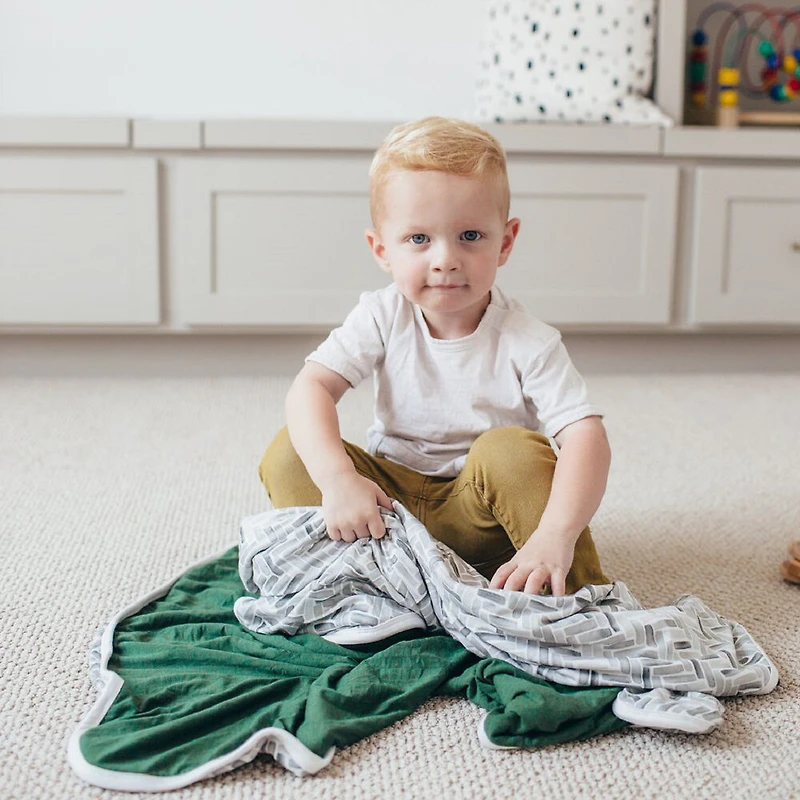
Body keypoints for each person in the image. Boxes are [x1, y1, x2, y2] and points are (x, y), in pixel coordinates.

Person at [259, 116, 611, 597]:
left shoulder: (528, 339)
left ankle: (575, 595)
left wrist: (555, 535)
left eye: (469, 236)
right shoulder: (382, 314)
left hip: (484, 523)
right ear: (382, 249)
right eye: (419, 239)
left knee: (512, 452)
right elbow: (311, 387)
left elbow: (586, 436)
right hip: (386, 516)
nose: (444, 259)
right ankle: (353, 584)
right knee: (288, 454)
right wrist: (339, 480)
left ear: (504, 241)